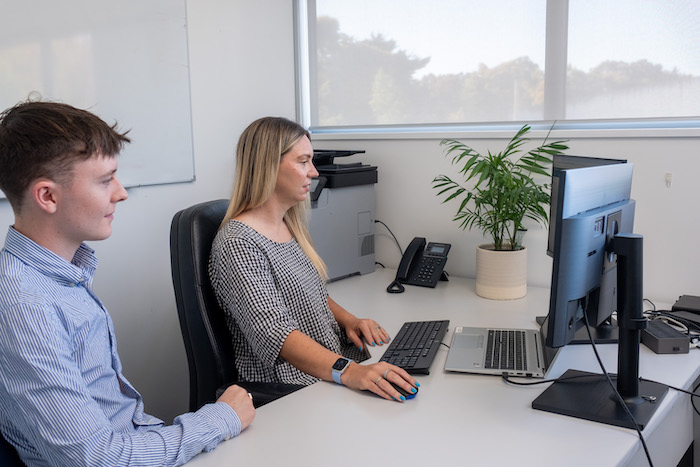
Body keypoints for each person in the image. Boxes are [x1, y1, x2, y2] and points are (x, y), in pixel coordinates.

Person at [0, 99, 255, 466]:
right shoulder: (26, 306)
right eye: (105, 181)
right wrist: (220, 419)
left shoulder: (63, 276)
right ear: (48, 196)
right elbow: (99, 458)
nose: (120, 192)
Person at [209, 116, 419, 402]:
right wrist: (350, 372)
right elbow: (276, 334)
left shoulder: (288, 225)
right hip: (290, 386)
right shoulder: (238, 243)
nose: (314, 172)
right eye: (303, 161)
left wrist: (349, 320)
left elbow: (310, 292)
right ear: (268, 165)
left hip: (325, 367)